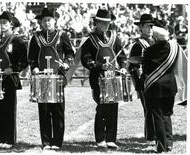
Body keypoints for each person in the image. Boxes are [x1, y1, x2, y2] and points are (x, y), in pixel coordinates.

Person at [28, 7, 75, 150]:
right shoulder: (36, 37)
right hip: (42, 78)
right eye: (44, 20)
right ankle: (46, 142)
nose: (47, 23)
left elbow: (70, 53)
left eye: (49, 20)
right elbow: (31, 58)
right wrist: (34, 67)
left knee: (58, 110)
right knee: (44, 110)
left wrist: (66, 63)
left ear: (54, 21)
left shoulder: (62, 35)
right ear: (41, 22)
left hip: (58, 77)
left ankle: (57, 142)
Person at [81, 9, 127, 149]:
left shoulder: (114, 37)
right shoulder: (90, 39)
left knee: (113, 107)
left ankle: (111, 138)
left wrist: (123, 66)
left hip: (113, 77)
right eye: (102, 23)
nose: (105, 25)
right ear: (97, 23)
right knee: (101, 108)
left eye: (107, 23)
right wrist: (100, 66)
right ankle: (100, 138)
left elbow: (122, 56)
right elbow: (86, 59)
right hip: (98, 78)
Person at [0, 11, 28, 149]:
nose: (2, 25)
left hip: (9, 79)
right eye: (1, 22)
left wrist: (14, 68)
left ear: (11, 24)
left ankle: (9, 140)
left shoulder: (17, 40)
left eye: (5, 23)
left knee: (9, 109)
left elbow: (24, 61)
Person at [142, 21, 187, 153]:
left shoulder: (149, 50)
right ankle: (169, 144)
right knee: (167, 115)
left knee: (158, 116)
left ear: (155, 37)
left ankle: (161, 147)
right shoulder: (174, 48)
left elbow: (145, 68)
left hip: (154, 87)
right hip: (169, 87)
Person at [128, 14, 156, 142]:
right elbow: (132, 65)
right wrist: (138, 84)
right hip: (144, 81)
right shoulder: (138, 45)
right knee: (149, 108)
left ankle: (157, 134)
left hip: (158, 80)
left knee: (157, 108)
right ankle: (151, 136)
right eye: (147, 26)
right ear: (141, 27)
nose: (150, 28)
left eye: (152, 26)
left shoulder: (157, 41)